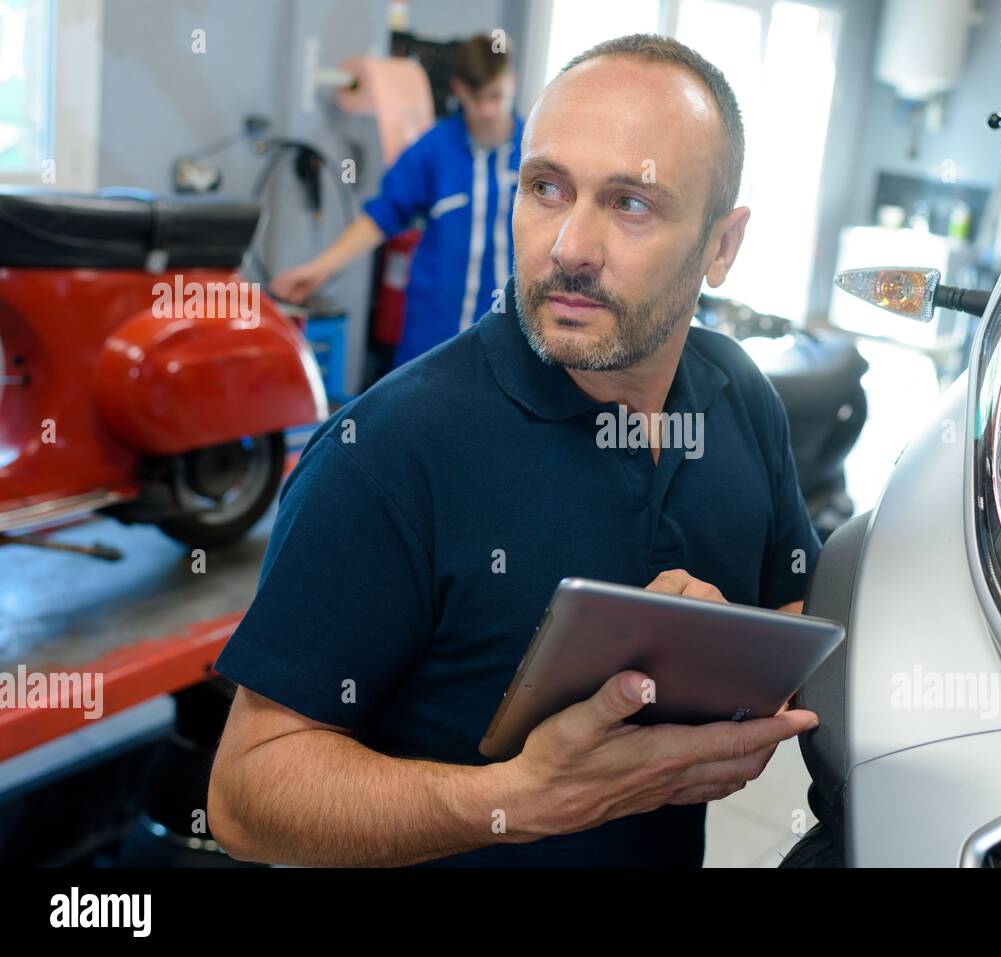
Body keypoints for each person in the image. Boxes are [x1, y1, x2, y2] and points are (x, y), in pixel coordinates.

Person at [208, 33, 823, 868]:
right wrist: (519, 802)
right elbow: (247, 796)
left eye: (630, 203)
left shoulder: (738, 394)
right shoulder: (386, 451)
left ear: (721, 246)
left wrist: (731, 671)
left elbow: (794, 608)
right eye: (546, 188)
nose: (570, 245)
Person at [271, 33, 524, 367]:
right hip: (433, 341)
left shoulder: (537, 152)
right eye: (477, 98)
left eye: (497, 95)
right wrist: (319, 269)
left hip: (509, 343)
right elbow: (382, 214)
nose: (488, 110)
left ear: (512, 82)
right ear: (459, 89)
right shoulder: (433, 150)